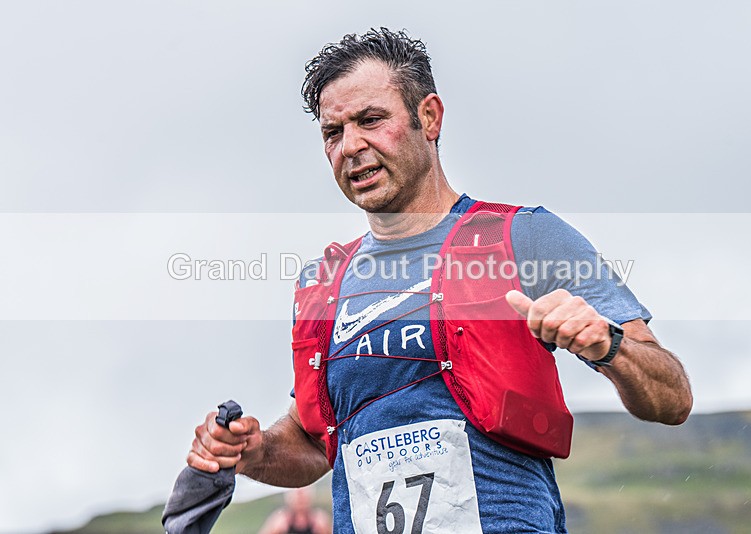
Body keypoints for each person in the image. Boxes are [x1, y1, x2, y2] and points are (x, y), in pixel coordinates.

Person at [186, 28, 692, 533]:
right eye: (332, 132)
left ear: (429, 117)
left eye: (371, 120)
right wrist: (252, 451)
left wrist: (611, 344)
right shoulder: (322, 282)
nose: (351, 146)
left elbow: (672, 397)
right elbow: (313, 442)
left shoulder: (525, 237)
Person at [258, 487, 331, 534]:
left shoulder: (320, 520)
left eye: (303, 498)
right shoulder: (280, 520)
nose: (301, 500)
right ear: (289, 499)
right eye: (298, 498)